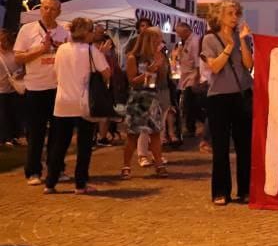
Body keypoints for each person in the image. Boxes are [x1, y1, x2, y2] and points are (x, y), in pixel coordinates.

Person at [45, 17, 110, 195]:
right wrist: (102, 54)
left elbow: (56, 74)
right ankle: (80, 184)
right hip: (84, 103)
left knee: (59, 144)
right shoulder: (91, 51)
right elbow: (106, 73)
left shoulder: (61, 50)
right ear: (87, 32)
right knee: (84, 145)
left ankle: (50, 182)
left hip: (63, 102)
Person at [201, 0, 254, 206]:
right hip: (219, 98)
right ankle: (220, 191)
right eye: (230, 14)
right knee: (221, 147)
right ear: (220, 16)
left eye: (236, 14)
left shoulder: (241, 37)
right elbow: (215, 67)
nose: (235, 18)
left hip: (242, 95)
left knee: (244, 146)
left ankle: (245, 190)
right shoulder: (209, 39)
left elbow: (249, 65)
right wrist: (229, 47)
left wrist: (241, 41)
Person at [14, 0, 70, 186]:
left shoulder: (64, 32)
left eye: (53, 9)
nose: (48, 11)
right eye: (45, 8)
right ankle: (33, 171)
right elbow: (18, 58)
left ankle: (56, 169)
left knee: (58, 133)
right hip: (35, 88)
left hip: (58, 88)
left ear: (59, 12)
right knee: (36, 133)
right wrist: (40, 50)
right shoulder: (27, 30)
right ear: (40, 9)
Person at [121, 27, 169, 179]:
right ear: (149, 40)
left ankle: (159, 164)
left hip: (152, 97)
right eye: (157, 40)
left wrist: (162, 67)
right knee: (132, 136)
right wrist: (148, 71)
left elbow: (160, 79)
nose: (159, 43)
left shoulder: (158, 55)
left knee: (155, 134)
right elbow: (132, 81)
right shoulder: (133, 57)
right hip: (138, 98)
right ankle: (126, 166)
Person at [172, 22, 203, 141]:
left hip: (192, 77)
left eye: (180, 33)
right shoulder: (186, 42)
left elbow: (197, 62)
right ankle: (195, 125)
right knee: (193, 104)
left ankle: (191, 128)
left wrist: (197, 78)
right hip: (186, 76)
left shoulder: (194, 41)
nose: (179, 36)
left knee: (189, 104)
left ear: (186, 31)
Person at [0, 28, 25, 146]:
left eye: (4, 40)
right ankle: (5, 137)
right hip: (2, 90)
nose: (2, 43)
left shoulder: (15, 52)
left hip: (15, 88)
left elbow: (24, 66)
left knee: (15, 114)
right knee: (4, 114)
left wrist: (22, 73)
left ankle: (15, 136)